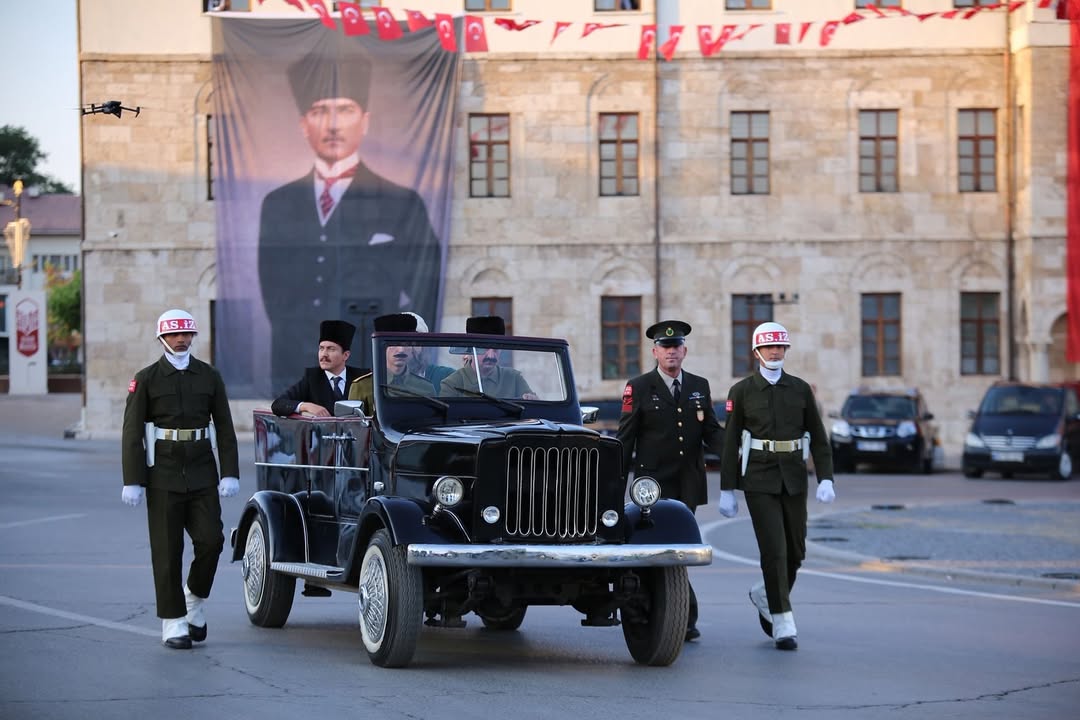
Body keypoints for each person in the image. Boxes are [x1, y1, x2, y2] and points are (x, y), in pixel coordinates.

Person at [258, 40, 441, 393]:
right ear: (303, 124)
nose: (332, 125)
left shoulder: (403, 202)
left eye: (345, 109)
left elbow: (422, 289)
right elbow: (273, 298)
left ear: (365, 120)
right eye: (319, 111)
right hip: (301, 364)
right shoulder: (277, 203)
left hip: (372, 362)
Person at [120, 309, 240, 649]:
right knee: (167, 550)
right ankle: (173, 622)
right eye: (174, 335)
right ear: (162, 339)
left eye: (187, 334)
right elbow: (132, 432)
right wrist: (133, 478)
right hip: (164, 473)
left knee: (212, 541)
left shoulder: (209, 376)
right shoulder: (146, 379)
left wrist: (229, 471)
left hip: (202, 470)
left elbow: (225, 427)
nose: (182, 340)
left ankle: (193, 599)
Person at [718, 321, 835, 651]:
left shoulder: (799, 390)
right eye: (769, 347)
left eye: (780, 347)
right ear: (756, 352)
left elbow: (820, 438)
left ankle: (764, 594)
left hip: (794, 478)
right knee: (774, 550)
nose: (775, 352)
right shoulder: (741, 392)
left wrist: (826, 476)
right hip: (758, 478)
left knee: (796, 551)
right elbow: (730, 444)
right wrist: (728, 489)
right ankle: (783, 620)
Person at [616, 319, 724, 642]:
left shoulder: (698, 386)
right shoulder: (639, 386)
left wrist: (737, 454)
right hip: (651, 485)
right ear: (655, 352)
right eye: (665, 348)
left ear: (684, 351)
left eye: (676, 347)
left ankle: (677, 613)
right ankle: (677, 612)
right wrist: (614, 484)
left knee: (679, 547)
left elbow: (712, 432)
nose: (671, 352)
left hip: (687, 482)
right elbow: (625, 439)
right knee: (652, 548)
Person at [270, 319, 363, 418]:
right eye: (321, 348)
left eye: (331, 349)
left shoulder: (362, 378)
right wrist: (306, 406)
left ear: (345, 355)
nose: (324, 354)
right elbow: (278, 404)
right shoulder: (312, 378)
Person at [348, 313, 434, 415]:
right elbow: (353, 427)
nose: (401, 350)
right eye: (393, 343)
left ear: (412, 349)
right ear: (382, 348)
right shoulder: (362, 387)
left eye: (406, 344)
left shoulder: (426, 387)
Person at [439, 316, 537, 399]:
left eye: (496, 348)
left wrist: (531, 400)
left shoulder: (514, 378)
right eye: (484, 348)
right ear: (471, 349)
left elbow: (533, 409)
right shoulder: (452, 384)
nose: (491, 356)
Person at [400, 312, 454, 393]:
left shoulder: (446, 376)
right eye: (402, 342)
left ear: (423, 346)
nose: (407, 348)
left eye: (414, 342)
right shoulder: (381, 380)